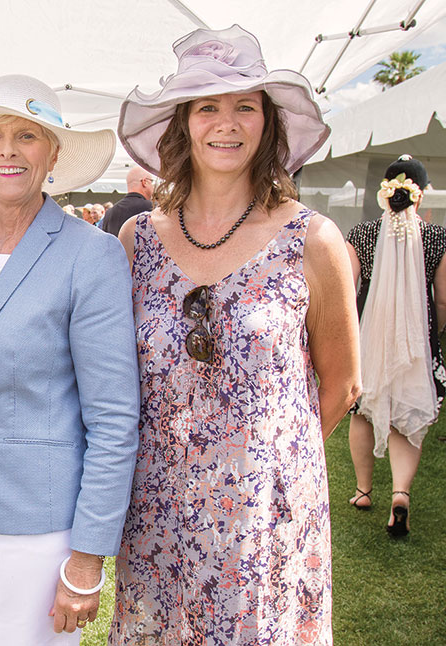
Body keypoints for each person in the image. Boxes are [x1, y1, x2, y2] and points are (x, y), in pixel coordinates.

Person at [111, 25, 361, 644]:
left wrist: (263, 461)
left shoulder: (313, 240)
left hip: (265, 518)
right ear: (183, 125)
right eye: (208, 107)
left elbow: (343, 383)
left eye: (245, 105)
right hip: (159, 511)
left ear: (268, 123)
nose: (227, 123)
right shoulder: (136, 241)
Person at [0, 73, 139, 645]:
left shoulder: (90, 255)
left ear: (53, 154)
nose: (8, 150)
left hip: (37, 517)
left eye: (27, 135)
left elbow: (114, 417)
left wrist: (89, 555)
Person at [345, 155, 446, 537]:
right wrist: (432, 334)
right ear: (419, 195)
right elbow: (443, 300)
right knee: (408, 408)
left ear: (382, 193)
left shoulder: (362, 232)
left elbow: (346, 287)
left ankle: (363, 490)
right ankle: (400, 493)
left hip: (367, 334)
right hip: (417, 338)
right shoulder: (438, 237)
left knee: (361, 410)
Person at [100, 167, 155, 236]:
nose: (153, 186)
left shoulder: (110, 213)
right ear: (144, 182)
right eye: (151, 181)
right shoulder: (152, 208)